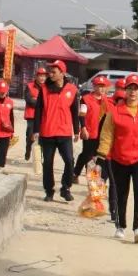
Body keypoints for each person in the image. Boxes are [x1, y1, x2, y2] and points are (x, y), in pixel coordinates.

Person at [97, 74, 138, 243]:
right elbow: (107, 135)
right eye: (130, 88)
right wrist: (101, 157)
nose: (133, 92)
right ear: (125, 91)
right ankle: (120, 225)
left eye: (136, 88)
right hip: (119, 159)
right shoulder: (115, 112)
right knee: (121, 193)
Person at [33, 59, 79, 203]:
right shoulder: (44, 89)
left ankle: (65, 188)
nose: (50, 74)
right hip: (47, 132)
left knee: (70, 161)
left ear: (62, 73)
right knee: (48, 163)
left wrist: (77, 130)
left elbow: (75, 111)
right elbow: (38, 110)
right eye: (50, 72)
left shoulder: (72, 89)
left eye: (54, 72)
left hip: (65, 132)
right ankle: (49, 191)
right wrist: (36, 130)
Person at [74, 75, 112, 181]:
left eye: (103, 86)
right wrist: (83, 128)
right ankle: (88, 178)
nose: (101, 89)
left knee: (93, 155)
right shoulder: (85, 99)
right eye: (99, 86)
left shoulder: (107, 100)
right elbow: (82, 115)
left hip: (102, 134)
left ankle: (77, 173)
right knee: (88, 155)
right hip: (89, 132)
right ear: (94, 87)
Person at [23, 67, 47, 163]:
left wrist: (36, 100)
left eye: (44, 76)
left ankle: (39, 157)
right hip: (31, 115)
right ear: (36, 76)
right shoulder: (29, 86)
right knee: (30, 135)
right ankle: (28, 149)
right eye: (40, 76)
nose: (42, 78)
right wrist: (40, 103)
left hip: (43, 116)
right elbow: (29, 100)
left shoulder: (47, 88)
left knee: (42, 137)